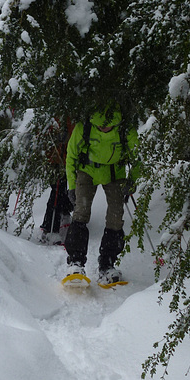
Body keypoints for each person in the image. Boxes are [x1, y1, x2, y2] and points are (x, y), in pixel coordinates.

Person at [64, 104, 140, 284]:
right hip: (87, 171)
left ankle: (107, 264)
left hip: (115, 173)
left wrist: (132, 180)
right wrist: (72, 185)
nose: (103, 128)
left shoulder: (125, 129)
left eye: (107, 127)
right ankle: (75, 261)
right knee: (81, 213)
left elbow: (138, 157)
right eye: (100, 127)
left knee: (115, 217)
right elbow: (71, 155)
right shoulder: (84, 127)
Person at [40, 118, 74, 244]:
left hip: (68, 160)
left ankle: (62, 217)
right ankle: (51, 228)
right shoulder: (55, 118)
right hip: (58, 161)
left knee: (63, 191)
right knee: (57, 191)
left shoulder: (72, 117)